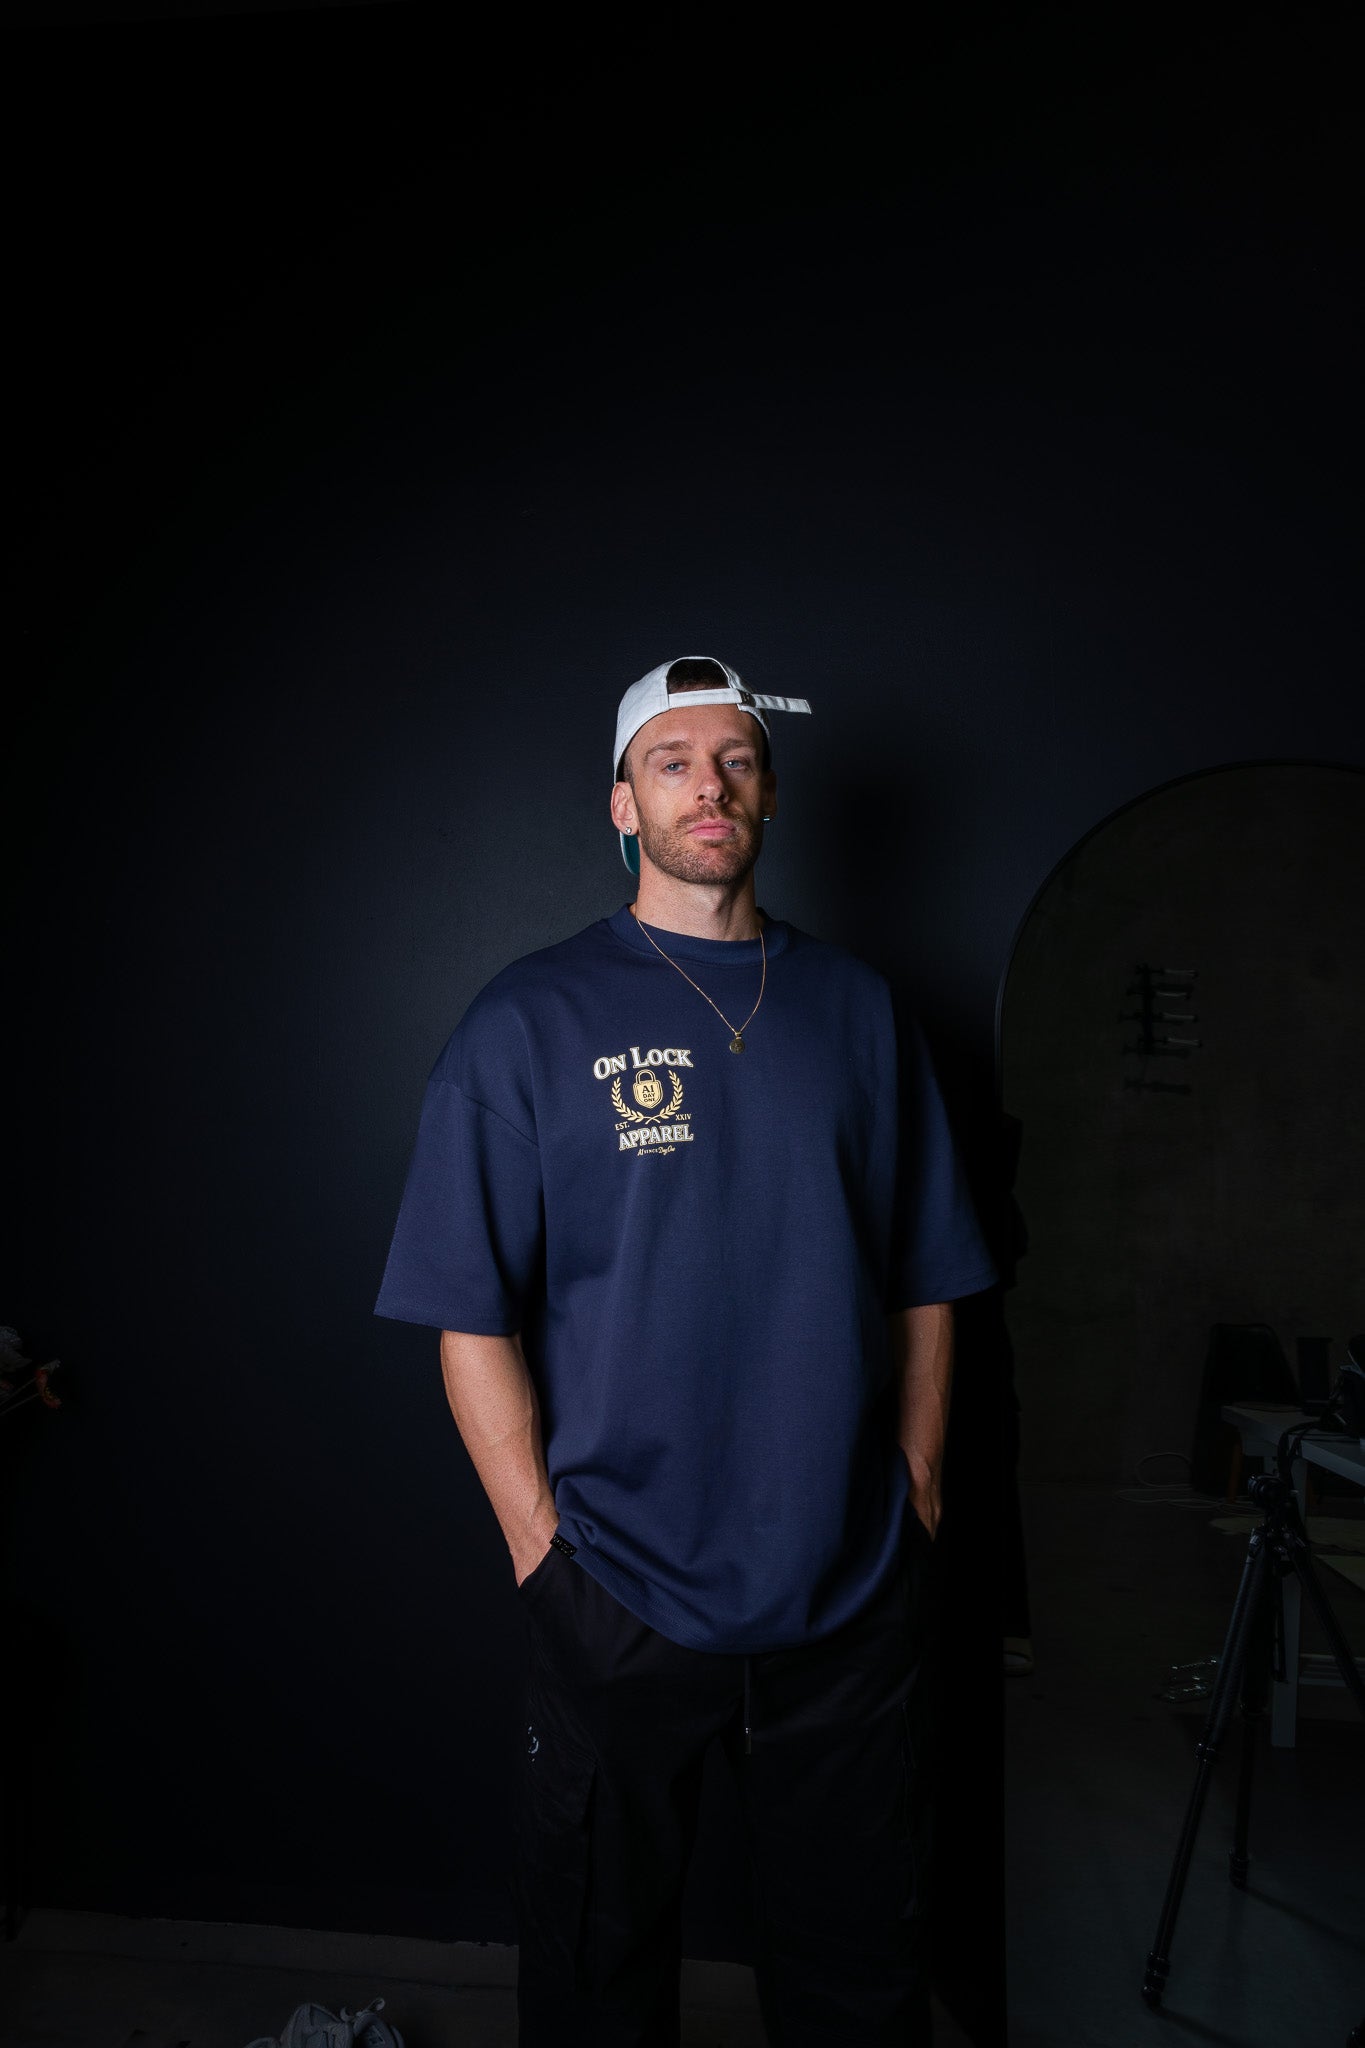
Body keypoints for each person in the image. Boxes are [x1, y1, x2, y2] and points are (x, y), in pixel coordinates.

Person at [374, 655, 998, 2047]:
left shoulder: (858, 1011)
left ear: (767, 794)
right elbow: (468, 1316)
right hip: (619, 1587)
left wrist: (916, 1491)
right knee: (597, 1974)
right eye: (672, 761)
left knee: (858, 1977)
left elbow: (929, 1281)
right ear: (622, 803)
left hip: (848, 1593)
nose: (707, 786)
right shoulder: (528, 1021)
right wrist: (543, 1554)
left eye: (734, 760)